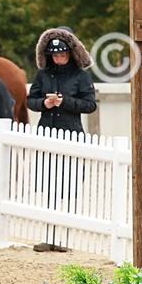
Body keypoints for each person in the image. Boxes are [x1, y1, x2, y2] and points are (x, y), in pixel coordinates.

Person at [26, 27, 97, 253]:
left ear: (70, 53)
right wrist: (43, 104)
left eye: (62, 55)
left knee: (68, 186)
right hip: (47, 130)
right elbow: (31, 100)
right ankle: (49, 235)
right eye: (55, 55)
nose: (59, 59)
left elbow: (90, 105)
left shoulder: (81, 76)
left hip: (71, 130)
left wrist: (65, 102)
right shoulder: (43, 75)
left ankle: (64, 236)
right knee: (49, 184)